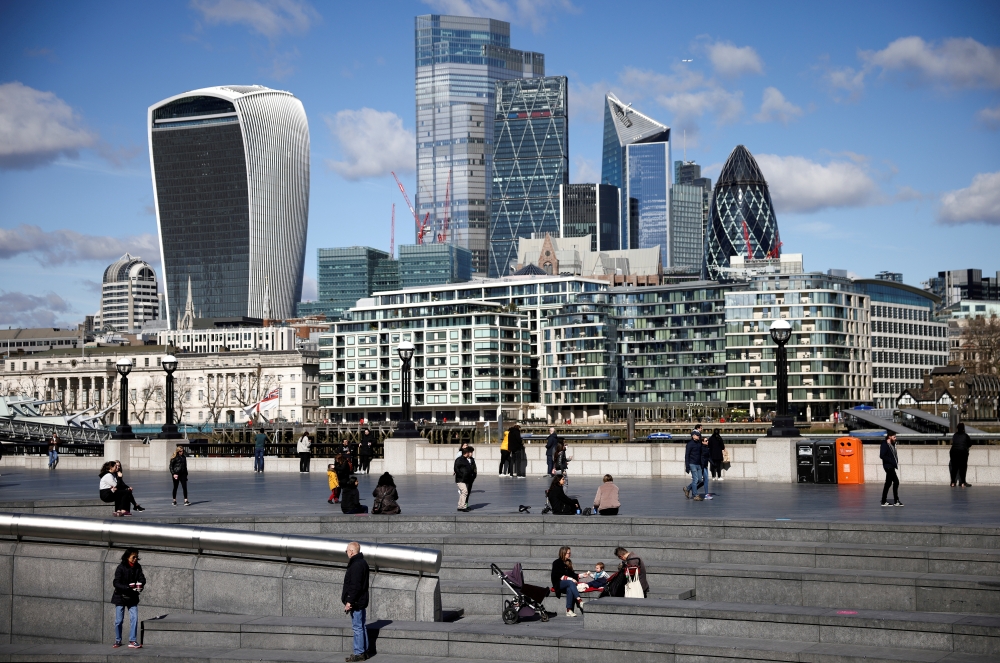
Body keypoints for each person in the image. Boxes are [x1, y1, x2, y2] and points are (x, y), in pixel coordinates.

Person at [111, 547, 146, 649]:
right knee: (119, 620)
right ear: (127, 557)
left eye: (136, 557)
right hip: (120, 596)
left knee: (134, 618)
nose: (135, 559)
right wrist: (127, 587)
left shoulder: (138, 567)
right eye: (133, 557)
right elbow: (116, 582)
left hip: (132, 597)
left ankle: (132, 640)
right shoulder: (121, 567)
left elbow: (142, 578)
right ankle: (118, 640)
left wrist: (140, 584)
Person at [341, 541, 370, 662]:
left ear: (352, 551)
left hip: (356, 602)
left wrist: (349, 601)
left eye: (347, 550)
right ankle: (364, 651)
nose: (346, 552)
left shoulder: (356, 565)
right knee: (361, 626)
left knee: (357, 627)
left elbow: (355, 586)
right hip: (360, 601)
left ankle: (359, 653)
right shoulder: (362, 562)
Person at [550, 546, 585, 617]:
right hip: (558, 583)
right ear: (563, 553)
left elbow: (572, 574)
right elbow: (560, 576)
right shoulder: (556, 563)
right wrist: (571, 579)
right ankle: (579, 601)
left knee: (569, 588)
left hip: (567, 584)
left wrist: (582, 575)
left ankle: (569, 610)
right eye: (568, 553)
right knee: (570, 582)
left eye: (570, 553)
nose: (570, 555)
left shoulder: (568, 562)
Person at [880, 431, 903, 507]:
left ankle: (883, 501)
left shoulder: (892, 444)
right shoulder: (884, 444)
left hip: (891, 466)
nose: (895, 438)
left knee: (888, 483)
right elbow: (882, 455)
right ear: (889, 437)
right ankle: (896, 500)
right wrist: (891, 461)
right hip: (888, 466)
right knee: (896, 482)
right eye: (894, 437)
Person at [683, 431, 706, 501]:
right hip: (692, 464)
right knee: (695, 480)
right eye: (697, 435)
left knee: (700, 480)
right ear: (693, 436)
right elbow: (687, 456)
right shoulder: (690, 444)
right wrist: (687, 466)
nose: (699, 436)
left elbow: (702, 454)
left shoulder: (699, 444)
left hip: (699, 464)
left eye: (699, 435)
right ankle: (695, 495)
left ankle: (687, 488)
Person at [454, 445, 476, 512]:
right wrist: (461, 475)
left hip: (465, 479)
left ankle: (460, 506)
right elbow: (456, 468)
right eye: (468, 452)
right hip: (460, 479)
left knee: (463, 492)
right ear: (466, 453)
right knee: (464, 491)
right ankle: (463, 506)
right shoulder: (459, 459)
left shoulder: (465, 460)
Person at [950, 422, 972, 488]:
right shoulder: (965, 435)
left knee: (954, 467)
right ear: (963, 429)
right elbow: (970, 444)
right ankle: (962, 482)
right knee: (963, 467)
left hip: (953, 452)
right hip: (962, 452)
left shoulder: (955, 435)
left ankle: (953, 482)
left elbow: (953, 443)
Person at [699, 433, 713, 499]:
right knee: (705, 480)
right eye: (706, 440)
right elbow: (701, 457)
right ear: (702, 442)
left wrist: (713, 464)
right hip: (702, 466)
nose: (707, 441)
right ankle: (706, 494)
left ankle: (690, 488)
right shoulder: (701, 448)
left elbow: (709, 457)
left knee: (705, 480)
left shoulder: (707, 448)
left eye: (707, 440)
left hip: (705, 466)